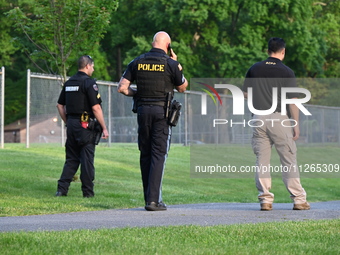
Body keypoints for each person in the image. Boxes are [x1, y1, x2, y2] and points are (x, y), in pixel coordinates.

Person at [117, 31, 188, 211]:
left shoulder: (137, 62)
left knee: (146, 153)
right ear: (168, 46)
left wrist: (138, 93)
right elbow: (182, 87)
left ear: (152, 42)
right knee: (159, 154)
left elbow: (122, 88)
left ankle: (149, 197)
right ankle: (154, 201)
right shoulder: (171, 64)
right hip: (162, 113)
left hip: (142, 112)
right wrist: (178, 66)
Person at [242, 37, 310, 211]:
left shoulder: (254, 69)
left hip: (258, 118)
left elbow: (245, 94)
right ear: (283, 52)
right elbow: (293, 100)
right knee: (288, 159)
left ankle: (265, 200)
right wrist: (295, 124)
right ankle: (299, 200)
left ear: (267, 51)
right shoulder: (287, 72)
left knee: (262, 161)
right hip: (279, 118)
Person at [56, 55, 109, 198]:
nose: (93, 68)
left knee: (72, 159)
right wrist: (104, 127)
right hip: (86, 125)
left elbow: (60, 105)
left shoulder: (69, 83)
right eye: (92, 66)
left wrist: (68, 121)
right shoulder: (88, 83)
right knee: (87, 159)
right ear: (87, 66)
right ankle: (87, 193)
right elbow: (96, 108)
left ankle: (61, 190)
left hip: (72, 124)